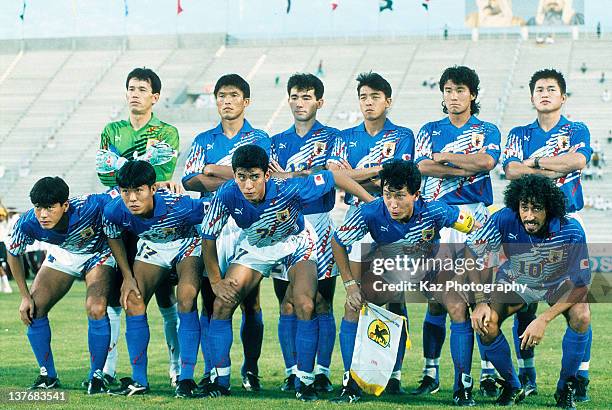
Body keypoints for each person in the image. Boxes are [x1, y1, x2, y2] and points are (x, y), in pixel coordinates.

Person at [201, 144, 374, 401]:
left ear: (267, 175)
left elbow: (335, 176)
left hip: (296, 243)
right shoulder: (226, 194)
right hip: (256, 244)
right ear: (235, 175)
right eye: (241, 177)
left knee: (305, 303)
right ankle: (220, 380)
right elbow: (208, 236)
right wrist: (215, 280)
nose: (248, 185)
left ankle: (305, 381)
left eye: (254, 177)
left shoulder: (290, 187)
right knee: (221, 303)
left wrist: (371, 203)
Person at [329, 160, 481, 404]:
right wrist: (350, 284)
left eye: (400, 196)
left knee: (458, 306)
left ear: (416, 194)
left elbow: (475, 228)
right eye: (388, 195)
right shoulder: (370, 212)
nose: (392, 203)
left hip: (428, 271)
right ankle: (350, 384)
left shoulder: (436, 210)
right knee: (352, 306)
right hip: (389, 272)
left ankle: (462, 386)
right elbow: (338, 241)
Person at [502, 68, 592, 401]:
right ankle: (527, 375)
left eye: (551, 89)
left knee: (579, 299)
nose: (544, 93)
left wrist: (536, 161)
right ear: (531, 96)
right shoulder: (518, 132)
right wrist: (557, 164)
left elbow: (578, 160)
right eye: (539, 88)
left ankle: (576, 378)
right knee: (524, 298)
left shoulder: (576, 128)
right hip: (528, 222)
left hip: (567, 219)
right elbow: (511, 170)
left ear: (562, 96)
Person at [413, 65, 501, 402]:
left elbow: (488, 163)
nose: (453, 96)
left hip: (478, 219)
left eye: (460, 90)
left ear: (473, 95)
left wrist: (448, 158)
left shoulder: (487, 128)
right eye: (449, 90)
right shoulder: (430, 129)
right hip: (439, 220)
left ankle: (485, 373)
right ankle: (430, 371)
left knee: (481, 297)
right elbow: (421, 167)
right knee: (440, 302)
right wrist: (469, 163)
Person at [467, 175, 591, 409]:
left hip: (557, 285)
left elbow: (580, 285)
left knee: (582, 315)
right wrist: (480, 301)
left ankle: (565, 388)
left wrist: (543, 319)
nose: (529, 216)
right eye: (525, 207)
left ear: (550, 209)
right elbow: (473, 253)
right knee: (485, 323)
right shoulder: (504, 218)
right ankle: (513, 385)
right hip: (517, 281)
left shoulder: (571, 230)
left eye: (537, 209)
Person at [327, 71, 415, 394]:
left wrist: (356, 176)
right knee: (356, 299)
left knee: (395, 301)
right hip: (361, 217)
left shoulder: (403, 135)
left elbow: (396, 177)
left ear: (388, 101)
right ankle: (351, 378)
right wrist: (371, 190)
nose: (368, 102)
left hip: (394, 219)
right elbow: (336, 176)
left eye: (375, 97)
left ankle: (393, 376)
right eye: (363, 97)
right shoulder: (343, 137)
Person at [182, 73, 271, 392]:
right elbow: (189, 180)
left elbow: (261, 176)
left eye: (233, 95)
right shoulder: (203, 139)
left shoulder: (259, 137)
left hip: (249, 226)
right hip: (213, 225)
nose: (226, 101)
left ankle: (251, 367)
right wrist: (232, 182)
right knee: (211, 299)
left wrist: (212, 171)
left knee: (250, 302)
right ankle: (213, 370)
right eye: (221, 95)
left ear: (245, 101)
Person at [96, 67, 182, 387]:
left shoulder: (167, 131)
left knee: (164, 296)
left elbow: (161, 172)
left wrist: (121, 165)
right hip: (121, 219)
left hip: (153, 220)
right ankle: (108, 367)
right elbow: (105, 176)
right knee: (118, 295)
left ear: (155, 97)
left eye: (142, 89)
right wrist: (136, 166)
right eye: (131, 88)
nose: (135, 93)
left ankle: (175, 367)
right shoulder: (112, 129)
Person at [103, 161, 207, 397]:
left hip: (185, 244)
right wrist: (127, 276)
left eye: (138, 190)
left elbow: (214, 211)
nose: (131, 198)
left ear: (153, 188)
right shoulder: (114, 210)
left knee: (187, 296)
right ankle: (139, 380)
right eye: (126, 192)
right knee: (133, 299)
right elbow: (113, 237)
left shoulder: (180, 205)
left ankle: (186, 379)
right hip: (153, 247)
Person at [7, 177, 116, 394]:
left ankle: (97, 375)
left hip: (98, 254)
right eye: (38, 208)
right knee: (34, 308)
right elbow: (13, 253)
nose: (43, 215)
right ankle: (48, 375)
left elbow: (121, 193)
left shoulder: (91, 205)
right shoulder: (28, 221)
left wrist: (159, 186)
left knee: (96, 308)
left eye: (49, 208)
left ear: (65, 205)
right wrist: (24, 296)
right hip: (64, 254)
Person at [268, 73, 340, 393]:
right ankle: (293, 371)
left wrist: (290, 175)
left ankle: (321, 371)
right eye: (295, 96)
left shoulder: (333, 138)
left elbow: (328, 176)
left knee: (322, 300)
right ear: (288, 99)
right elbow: (273, 183)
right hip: (285, 223)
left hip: (320, 222)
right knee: (286, 302)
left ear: (319, 102)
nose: (300, 103)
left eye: (307, 97)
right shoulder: (276, 142)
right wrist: (302, 177)